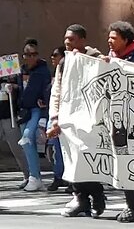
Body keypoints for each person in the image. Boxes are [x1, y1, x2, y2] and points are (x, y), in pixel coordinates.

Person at [46, 24, 105, 217]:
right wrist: (55, 118)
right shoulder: (64, 63)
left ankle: (97, 197)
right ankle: (81, 199)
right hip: (68, 118)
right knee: (71, 159)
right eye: (66, 39)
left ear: (82, 40)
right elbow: (57, 91)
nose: (67, 43)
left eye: (71, 39)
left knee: (87, 159)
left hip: (90, 119)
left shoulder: (96, 59)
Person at [100, 21, 134, 223]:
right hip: (115, 122)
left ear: (125, 40)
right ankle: (131, 206)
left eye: (114, 38)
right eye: (109, 37)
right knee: (124, 163)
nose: (109, 41)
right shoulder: (112, 58)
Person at [18, 40, 51, 192]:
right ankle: (34, 176)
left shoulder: (43, 71)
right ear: (24, 56)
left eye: (35, 54)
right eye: (29, 54)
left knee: (27, 136)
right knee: (26, 143)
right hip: (24, 111)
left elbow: (47, 90)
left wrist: (44, 111)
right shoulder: (21, 71)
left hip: (37, 109)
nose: (32, 57)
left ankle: (35, 177)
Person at [45, 45, 70, 192]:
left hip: (66, 114)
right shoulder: (56, 73)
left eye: (56, 55)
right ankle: (58, 176)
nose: (53, 58)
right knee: (56, 149)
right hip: (55, 115)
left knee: (65, 149)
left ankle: (69, 179)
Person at [1, 75, 29, 189]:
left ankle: (28, 176)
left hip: (9, 118)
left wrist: (13, 88)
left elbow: (21, 88)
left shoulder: (9, 74)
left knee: (17, 149)